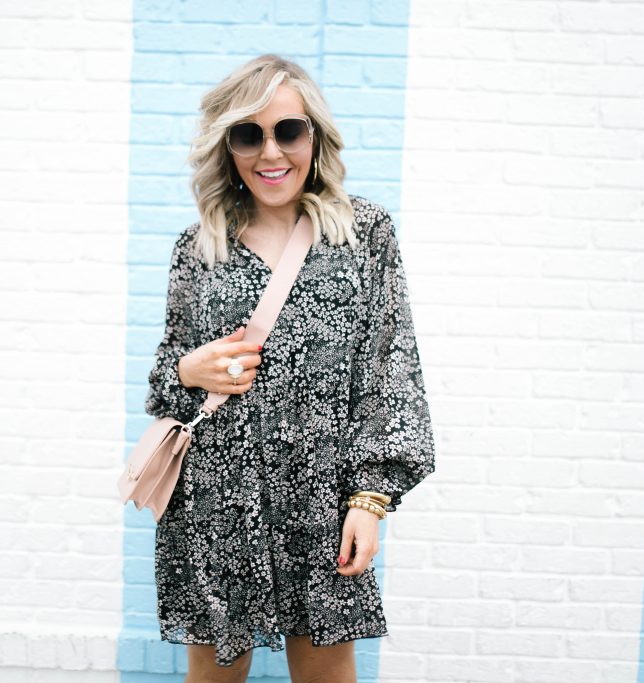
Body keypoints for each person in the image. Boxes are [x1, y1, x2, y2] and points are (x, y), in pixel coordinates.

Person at [144, 54, 436, 682]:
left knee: (326, 672)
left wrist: (370, 499)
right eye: (248, 134)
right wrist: (189, 370)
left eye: (288, 131)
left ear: (314, 137)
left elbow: (391, 369)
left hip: (321, 498)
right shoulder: (197, 248)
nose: (270, 152)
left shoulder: (363, 234)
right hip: (219, 497)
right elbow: (165, 382)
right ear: (227, 147)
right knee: (214, 676)